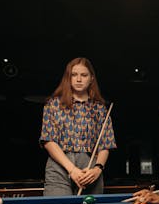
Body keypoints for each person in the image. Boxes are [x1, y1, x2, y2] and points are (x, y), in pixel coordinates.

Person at [39, 57, 117, 196]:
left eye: (84, 75)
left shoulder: (100, 108)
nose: (79, 79)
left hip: (90, 168)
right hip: (59, 166)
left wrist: (97, 169)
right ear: (68, 78)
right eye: (74, 75)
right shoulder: (53, 104)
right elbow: (48, 141)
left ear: (91, 78)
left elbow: (105, 144)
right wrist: (72, 169)